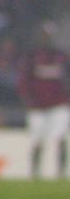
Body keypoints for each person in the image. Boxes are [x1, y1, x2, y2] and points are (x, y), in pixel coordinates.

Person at [20, 23, 69, 180]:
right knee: (37, 140)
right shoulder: (32, 57)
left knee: (60, 138)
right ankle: (35, 174)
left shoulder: (61, 57)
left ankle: (60, 174)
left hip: (58, 105)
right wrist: (28, 100)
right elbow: (24, 81)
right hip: (38, 107)